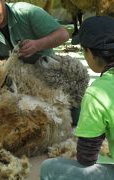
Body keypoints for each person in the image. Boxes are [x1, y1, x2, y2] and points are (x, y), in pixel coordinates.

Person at [40, 15, 114, 180]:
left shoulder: (97, 93)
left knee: (49, 168)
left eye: (83, 50)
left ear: (90, 53)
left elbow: (86, 158)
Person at [0, 0, 69, 87]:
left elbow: (63, 34)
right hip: (11, 80)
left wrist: (38, 44)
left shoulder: (27, 12)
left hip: (43, 70)